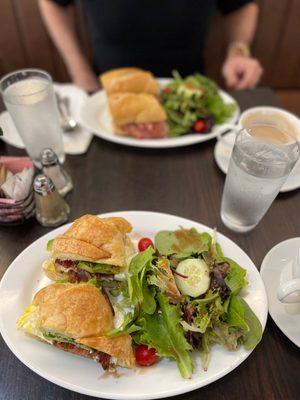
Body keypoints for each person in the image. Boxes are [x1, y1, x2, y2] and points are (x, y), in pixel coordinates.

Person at [38, 0, 263, 92]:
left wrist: (238, 51)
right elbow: (52, 2)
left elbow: (241, 5)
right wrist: (80, 72)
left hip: (187, 90)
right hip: (106, 89)